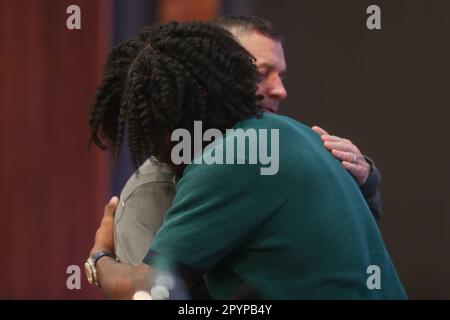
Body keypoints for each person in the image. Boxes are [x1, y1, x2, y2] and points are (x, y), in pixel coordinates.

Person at [86, 20, 406, 299]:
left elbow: (151, 288)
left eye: (151, 129)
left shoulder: (228, 157)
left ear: (173, 116)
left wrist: (100, 258)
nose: (154, 150)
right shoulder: (298, 132)